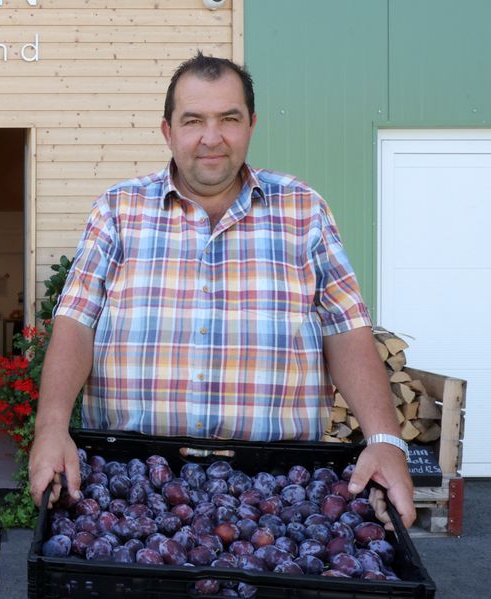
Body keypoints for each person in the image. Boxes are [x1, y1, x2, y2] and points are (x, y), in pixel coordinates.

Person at [27, 52, 415, 530]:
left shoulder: (303, 210)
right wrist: (51, 428)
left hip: (276, 498)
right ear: (168, 131)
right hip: (130, 485)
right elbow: (75, 323)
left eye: (228, 118)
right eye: (193, 121)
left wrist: (385, 441)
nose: (211, 138)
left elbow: (346, 330)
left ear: (251, 124)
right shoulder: (118, 210)